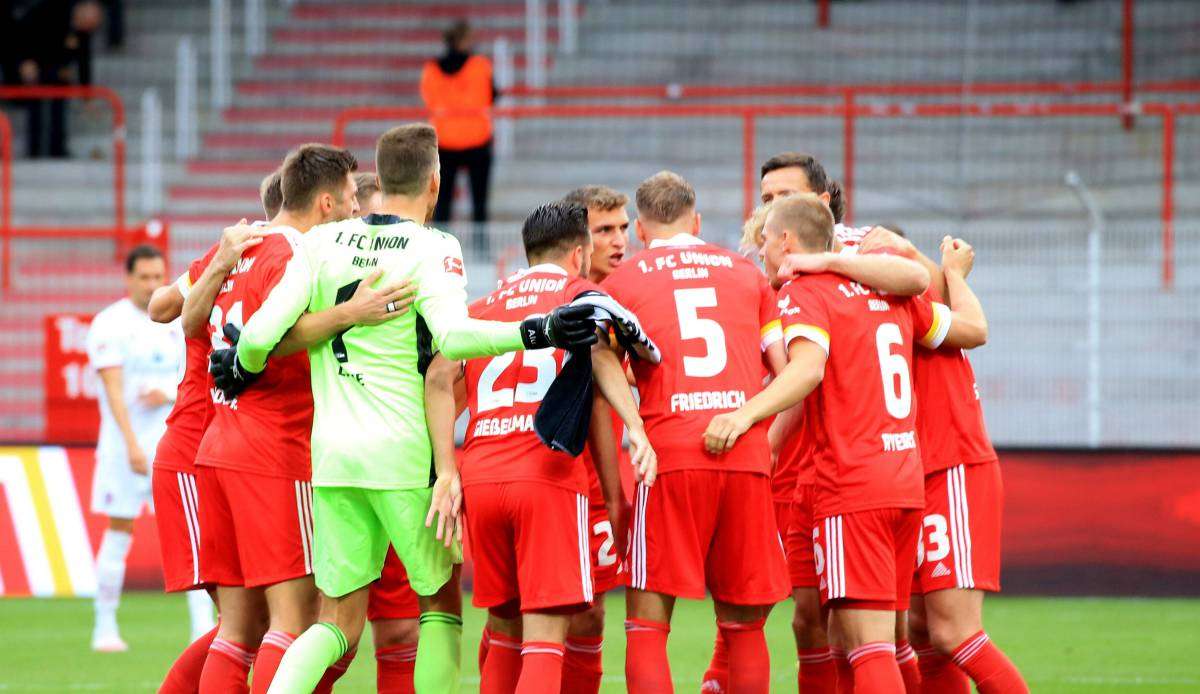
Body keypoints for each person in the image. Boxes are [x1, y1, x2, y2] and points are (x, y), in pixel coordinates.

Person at [213, 123, 600, 694]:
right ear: (435, 184)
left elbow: (259, 336)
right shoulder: (434, 247)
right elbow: (456, 339)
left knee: (335, 622)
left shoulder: (323, 242)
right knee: (440, 603)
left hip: (334, 458)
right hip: (403, 454)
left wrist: (242, 365)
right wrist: (538, 329)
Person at [703, 193, 988, 693]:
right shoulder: (883, 289)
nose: (761, 251)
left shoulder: (806, 293)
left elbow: (807, 371)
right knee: (882, 638)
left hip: (851, 484)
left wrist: (745, 416)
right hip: (902, 482)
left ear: (787, 241)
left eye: (765, 240)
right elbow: (929, 290)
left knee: (867, 644)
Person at [426, 201, 655, 693]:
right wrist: (635, 425)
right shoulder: (580, 294)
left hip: (481, 475)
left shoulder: (485, 306)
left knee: (504, 632)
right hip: (545, 476)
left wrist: (446, 467)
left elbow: (439, 377)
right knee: (546, 639)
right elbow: (601, 356)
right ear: (579, 253)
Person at [180, 144, 361, 693]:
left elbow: (182, 317)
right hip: (274, 450)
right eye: (352, 198)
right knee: (295, 619)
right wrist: (358, 311)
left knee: (236, 630)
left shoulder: (239, 249)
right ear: (325, 203)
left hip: (220, 444)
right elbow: (281, 334)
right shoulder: (294, 256)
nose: (357, 210)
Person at [601, 171, 790, 693]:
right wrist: (748, 419)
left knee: (646, 622)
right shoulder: (746, 275)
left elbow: (604, 365)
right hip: (745, 453)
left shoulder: (624, 281)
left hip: (670, 457)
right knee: (744, 625)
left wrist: (636, 424)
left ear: (640, 229)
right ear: (698, 221)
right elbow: (784, 367)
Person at [860, 230, 1029, 693]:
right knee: (922, 633)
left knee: (955, 632)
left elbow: (975, 329)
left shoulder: (914, 305)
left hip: (951, 466)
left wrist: (950, 272)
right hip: (912, 475)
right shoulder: (879, 307)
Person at [147, 179, 278, 693]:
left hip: (231, 453)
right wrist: (220, 259)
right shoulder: (243, 255)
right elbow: (161, 307)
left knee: (256, 622)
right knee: (242, 625)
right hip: (195, 450)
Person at [85, 244, 182, 652]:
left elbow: (192, 377)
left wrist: (170, 392)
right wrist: (131, 446)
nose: (152, 285)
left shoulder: (175, 320)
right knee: (119, 530)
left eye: (158, 276)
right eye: (144, 277)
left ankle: (201, 629)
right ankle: (104, 627)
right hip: (124, 450)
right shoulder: (110, 323)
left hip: (170, 446)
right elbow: (112, 392)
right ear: (129, 279)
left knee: (188, 535)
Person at [421, 19, 495, 252]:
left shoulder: (431, 69)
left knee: (442, 204)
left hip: (445, 141)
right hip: (477, 141)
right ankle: (481, 250)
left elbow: (428, 99)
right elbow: (492, 94)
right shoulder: (480, 65)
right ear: (464, 40)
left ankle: (442, 251)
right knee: (479, 202)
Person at [4, 0, 103, 158]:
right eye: (87, 22)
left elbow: (84, 63)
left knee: (60, 104)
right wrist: (24, 60)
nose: (87, 29)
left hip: (58, 69)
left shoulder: (83, 32)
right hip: (34, 61)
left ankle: (57, 149)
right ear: (82, 11)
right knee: (35, 107)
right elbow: (21, 32)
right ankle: (34, 151)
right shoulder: (52, 9)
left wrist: (87, 97)